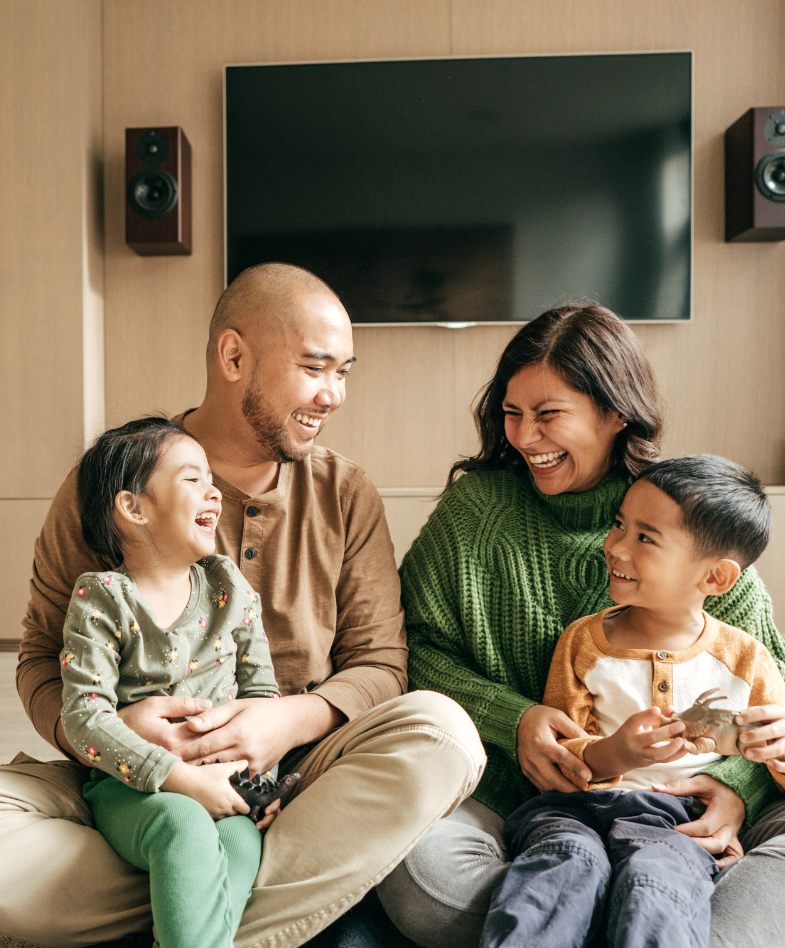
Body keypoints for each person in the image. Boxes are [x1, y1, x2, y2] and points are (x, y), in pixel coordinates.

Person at [0, 263, 486, 948]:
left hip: (293, 783)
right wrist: (122, 731)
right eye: (316, 368)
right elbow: (43, 661)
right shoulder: (115, 479)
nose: (334, 394)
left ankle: (184, 910)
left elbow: (380, 667)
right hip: (125, 781)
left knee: (442, 734)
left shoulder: (345, 492)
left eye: (343, 371)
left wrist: (284, 721)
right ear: (234, 356)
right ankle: (222, 905)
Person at [376, 304, 785, 948]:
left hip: (673, 817)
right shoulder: (474, 513)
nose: (523, 436)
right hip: (522, 802)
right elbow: (409, 652)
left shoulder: (686, 515)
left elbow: (767, 695)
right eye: (511, 413)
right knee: (420, 875)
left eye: (548, 415)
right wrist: (513, 718)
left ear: (615, 413)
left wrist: (729, 788)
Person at [480, 455, 785, 948]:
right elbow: (566, 752)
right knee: (558, 868)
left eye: (645, 537)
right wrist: (616, 753)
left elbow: (775, 766)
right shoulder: (582, 641)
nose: (615, 546)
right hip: (573, 811)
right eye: (619, 524)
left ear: (715, 578)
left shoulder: (746, 658)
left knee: (657, 884)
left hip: (677, 824)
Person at [62, 417, 282, 948]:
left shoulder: (232, 590)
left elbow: (262, 698)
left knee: (239, 845)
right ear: (133, 508)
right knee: (182, 827)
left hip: (225, 782)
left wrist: (260, 777)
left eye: (211, 479)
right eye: (191, 479)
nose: (213, 491)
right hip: (131, 788)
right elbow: (82, 717)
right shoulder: (103, 598)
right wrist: (179, 780)